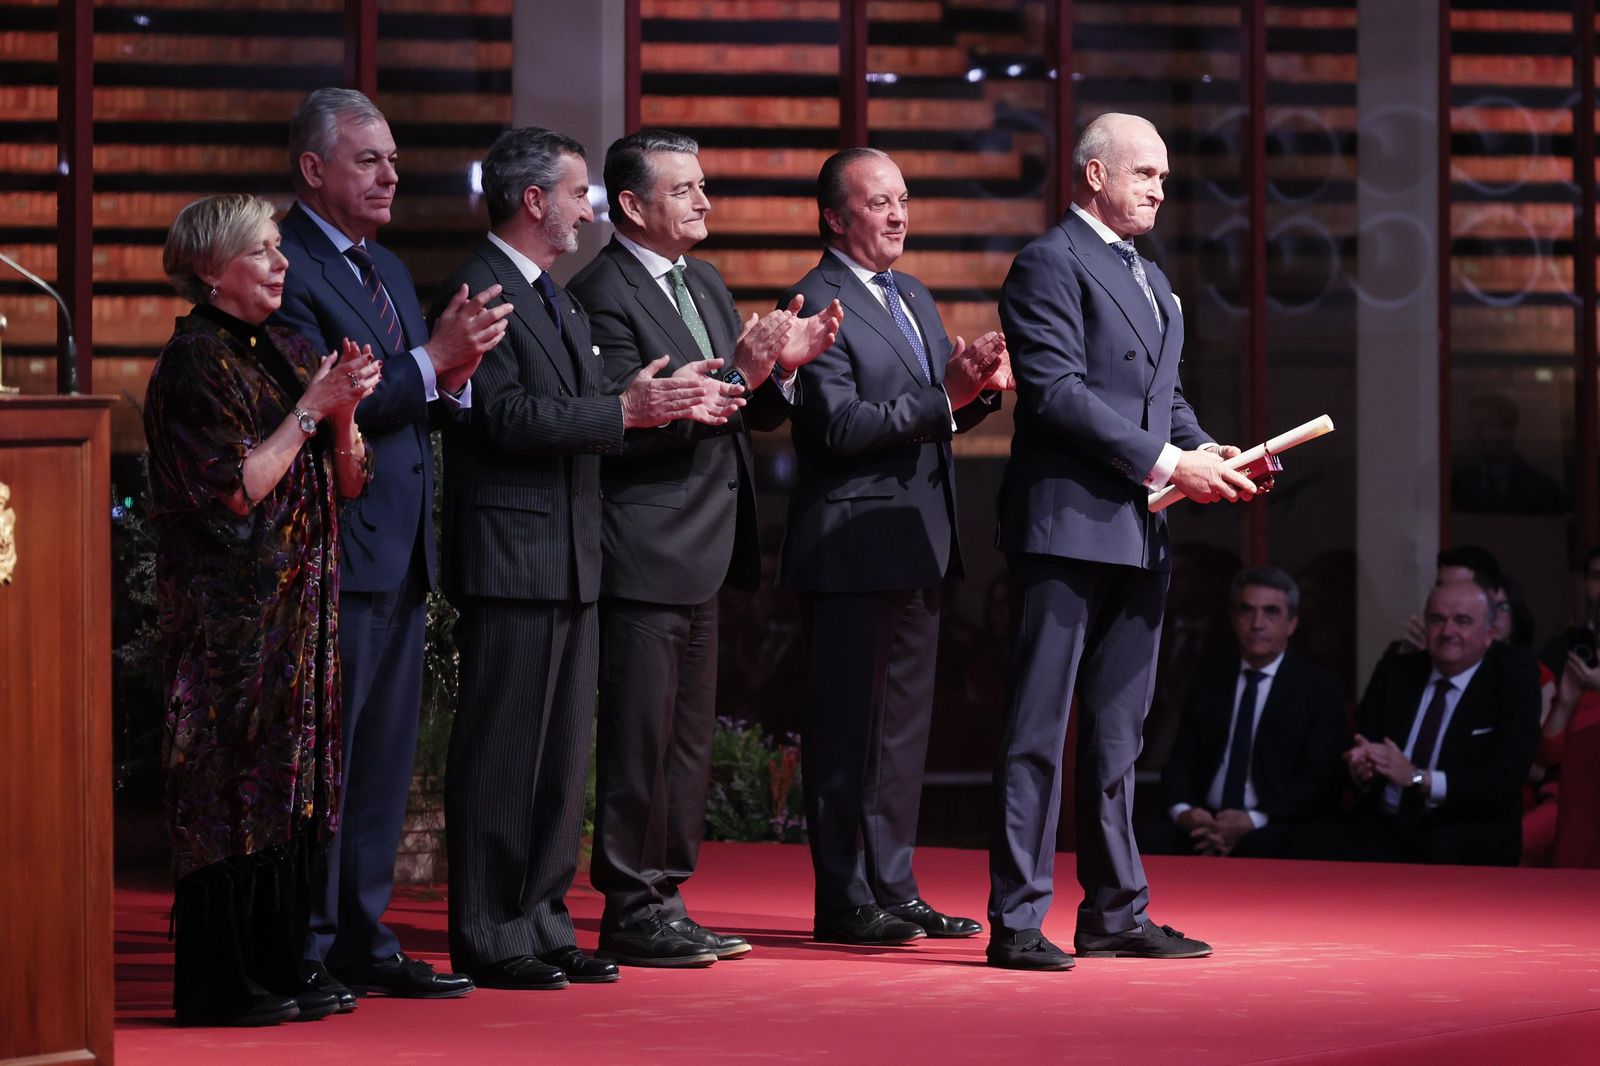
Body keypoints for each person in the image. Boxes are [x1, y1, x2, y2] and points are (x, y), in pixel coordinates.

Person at [437, 126, 741, 990]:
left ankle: (539, 918)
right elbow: (506, 417)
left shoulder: (553, 296)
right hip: (513, 551)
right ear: (533, 201)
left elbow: (572, 406)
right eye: (577, 193)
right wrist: (627, 413)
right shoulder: (484, 287)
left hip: (572, 552)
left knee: (562, 756)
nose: (587, 209)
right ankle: (491, 931)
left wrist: (635, 405)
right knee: (504, 752)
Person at [987, 112, 1256, 973]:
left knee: (1117, 735)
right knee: (1037, 728)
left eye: (1165, 179)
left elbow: (1162, 398)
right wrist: (1171, 458)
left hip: (1141, 527)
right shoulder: (1049, 263)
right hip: (1066, 525)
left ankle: (1114, 910)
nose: (1158, 190)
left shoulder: (1149, 276)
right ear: (1094, 174)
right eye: (1145, 174)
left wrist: (1207, 452)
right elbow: (1058, 394)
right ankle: (1019, 917)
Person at [566, 129, 843, 966]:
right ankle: (629, 904)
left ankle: (668, 895)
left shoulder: (707, 282)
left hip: (708, 543)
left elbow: (744, 409)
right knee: (639, 737)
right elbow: (629, 423)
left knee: (687, 740)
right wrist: (743, 376)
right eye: (683, 189)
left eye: (702, 185)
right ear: (631, 205)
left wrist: (779, 373)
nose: (703, 201)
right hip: (644, 542)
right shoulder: (599, 293)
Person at [272, 88, 508, 1005]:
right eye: (369, 160)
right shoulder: (285, 266)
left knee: (380, 761)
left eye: (395, 160)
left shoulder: (391, 271)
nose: (390, 176)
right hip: (332, 547)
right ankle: (311, 943)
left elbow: (413, 401)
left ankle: (366, 938)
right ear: (313, 169)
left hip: (403, 549)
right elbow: (328, 398)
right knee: (327, 762)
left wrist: (455, 377)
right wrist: (427, 362)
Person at [145, 193, 378, 1025]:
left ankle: (286, 962)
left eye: (281, 248)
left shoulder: (286, 345)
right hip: (228, 626)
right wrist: (311, 409)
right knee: (230, 789)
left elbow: (350, 481)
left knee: (294, 788)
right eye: (262, 252)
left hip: (301, 614)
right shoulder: (195, 362)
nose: (281, 264)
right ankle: (222, 982)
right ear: (212, 269)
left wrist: (343, 411)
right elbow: (233, 490)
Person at [779, 147, 1007, 947]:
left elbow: (930, 416)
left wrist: (974, 393)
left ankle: (894, 884)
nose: (898, 215)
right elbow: (836, 427)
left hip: (919, 539)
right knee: (847, 730)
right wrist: (946, 394)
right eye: (879, 203)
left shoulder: (910, 292)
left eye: (903, 199)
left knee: (904, 732)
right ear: (836, 218)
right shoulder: (815, 298)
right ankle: (843, 898)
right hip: (849, 547)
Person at [1299, 579, 1540, 865]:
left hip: (1463, 830)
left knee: (1438, 849)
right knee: (1300, 844)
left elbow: (1503, 780)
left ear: (1489, 634)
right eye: (1437, 619)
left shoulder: (1513, 683)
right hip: (1383, 826)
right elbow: (1357, 744)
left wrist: (1416, 777)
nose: (1447, 631)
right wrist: (1359, 767)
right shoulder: (1397, 672)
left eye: (1462, 621)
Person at [1139, 566, 1346, 859]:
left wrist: (1252, 820)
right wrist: (1185, 813)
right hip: (1205, 822)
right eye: (1247, 611)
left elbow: (1318, 781)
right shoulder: (1209, 681)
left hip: (1273, 823)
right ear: (1234, 620)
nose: (1257, 623)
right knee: (1147, 841)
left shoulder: (1319, 689)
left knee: (1280, 844)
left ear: (1292, 623)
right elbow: (1180, 764)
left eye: (1271, 612)